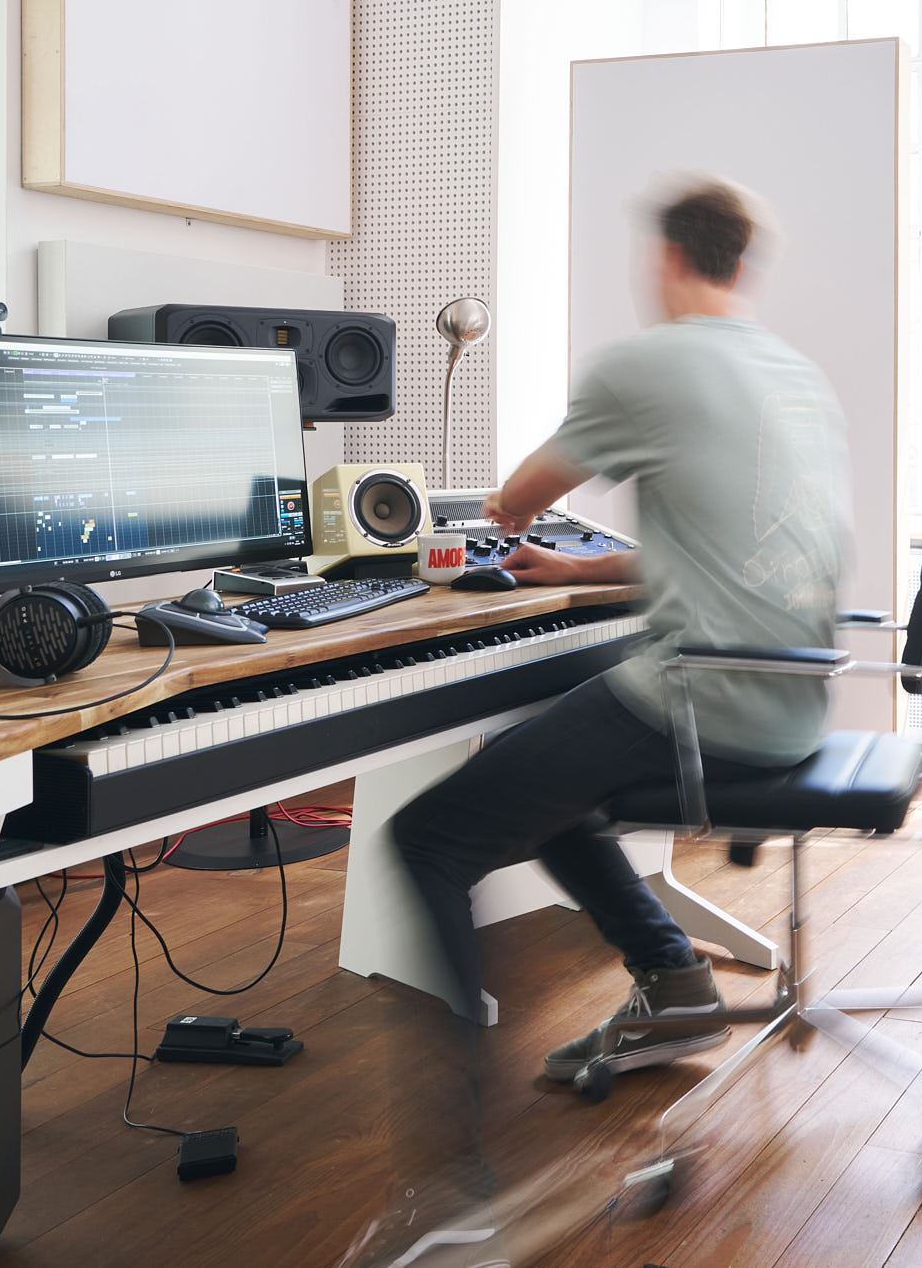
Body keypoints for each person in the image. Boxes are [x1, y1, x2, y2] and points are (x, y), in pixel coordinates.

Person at [346, 176, 851, 1265]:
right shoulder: (792, 373)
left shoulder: (649, 361)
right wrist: (583, 568)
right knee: (532, 759)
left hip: (706, 697)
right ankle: (670, 980)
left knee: (427, 837)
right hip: (790, 690)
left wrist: (509, 527)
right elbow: (720, 555)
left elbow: (515, 495)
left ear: (668, 260)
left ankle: (446, 1190)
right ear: (740, 263)